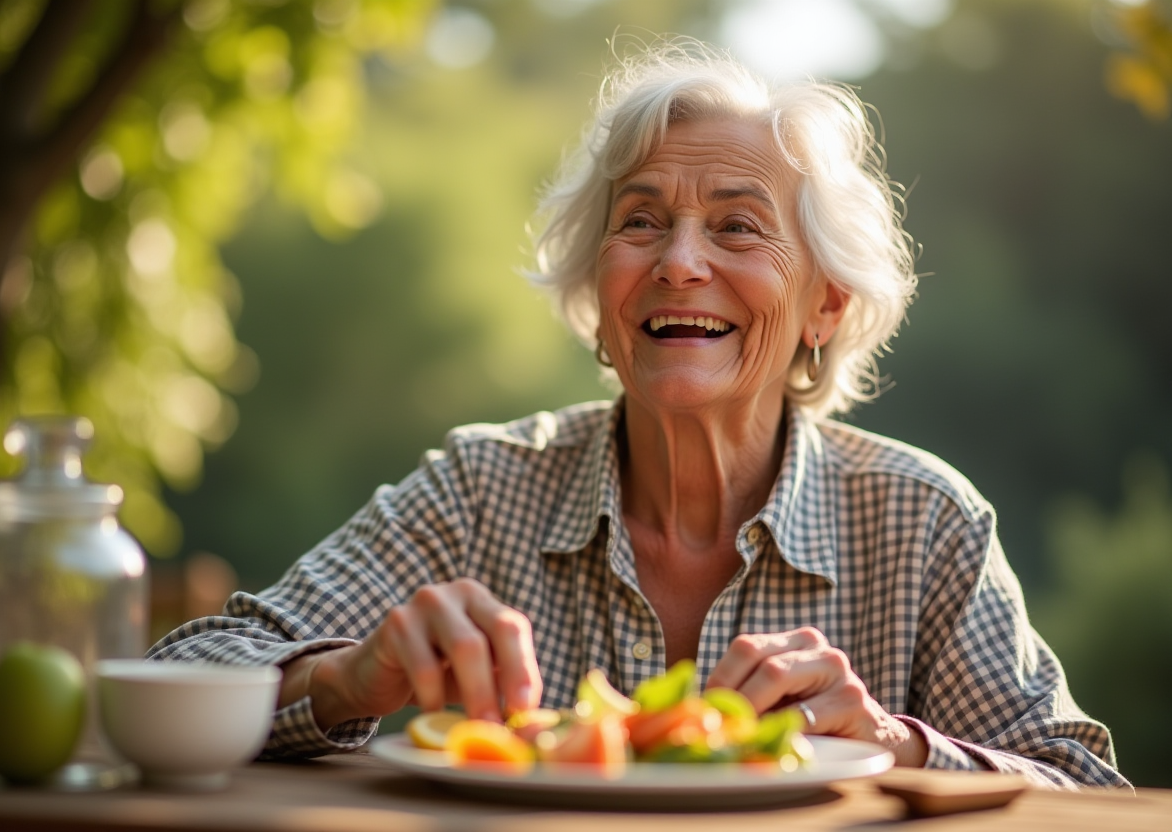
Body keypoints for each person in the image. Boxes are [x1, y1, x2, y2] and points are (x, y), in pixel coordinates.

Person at [150, 40, 1127, 789]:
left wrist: (895, 742)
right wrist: (345, 676)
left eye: (737, 225)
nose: (678, 262)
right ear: (597, 290)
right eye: (641, 221)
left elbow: (1089, 793)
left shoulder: (922, 523)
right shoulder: (479, 489)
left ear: (825, 301)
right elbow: (179, 676)